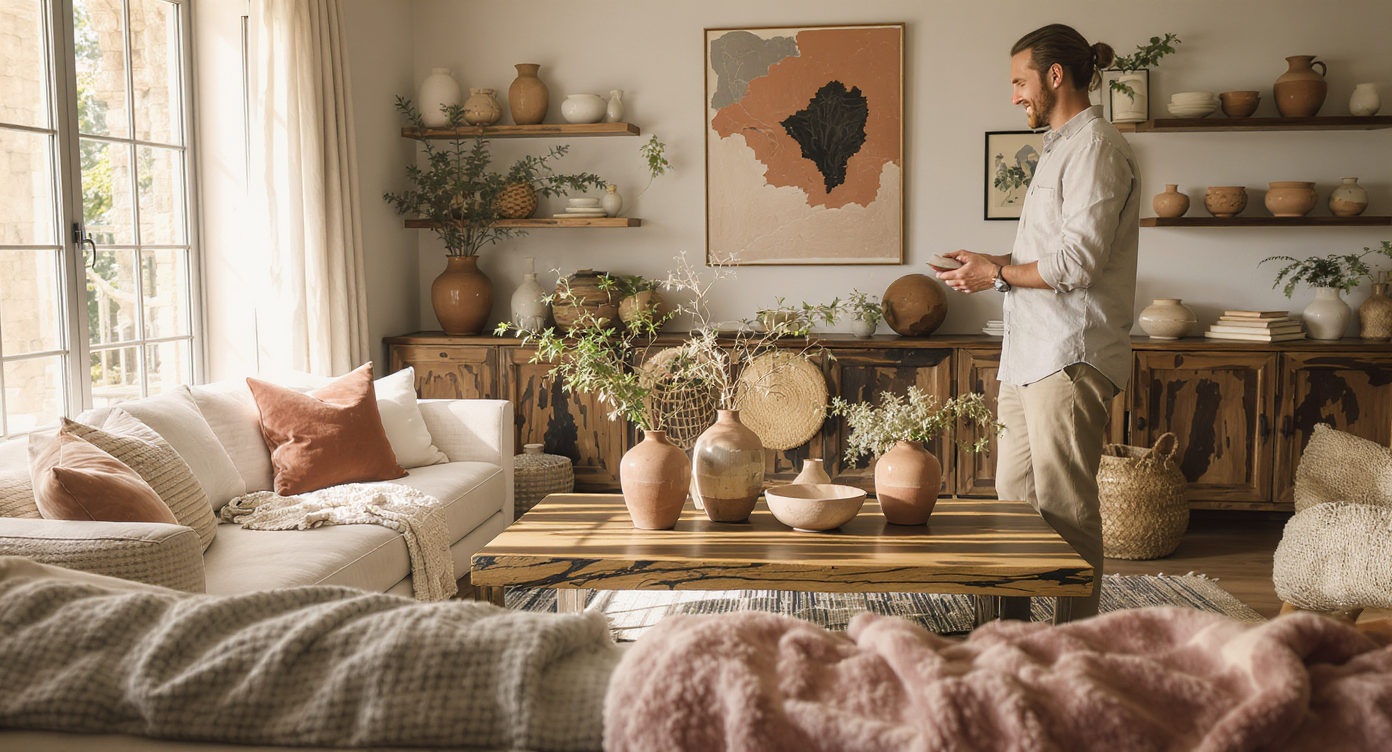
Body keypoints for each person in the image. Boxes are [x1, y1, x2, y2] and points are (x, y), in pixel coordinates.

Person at [936, 23, 1139, 621]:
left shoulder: (1097, 145)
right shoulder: (1058, 145)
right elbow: (1048, 254)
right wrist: (991, 262)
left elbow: (1076, 264)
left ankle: (1074, 645)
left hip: (1069, 357)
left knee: (1065, 508)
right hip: (1028, 358)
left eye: (1020, 82)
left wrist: (995, 277)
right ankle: (1011, 634)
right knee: (1015, 507)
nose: (1015, 95)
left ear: (1055, 76)